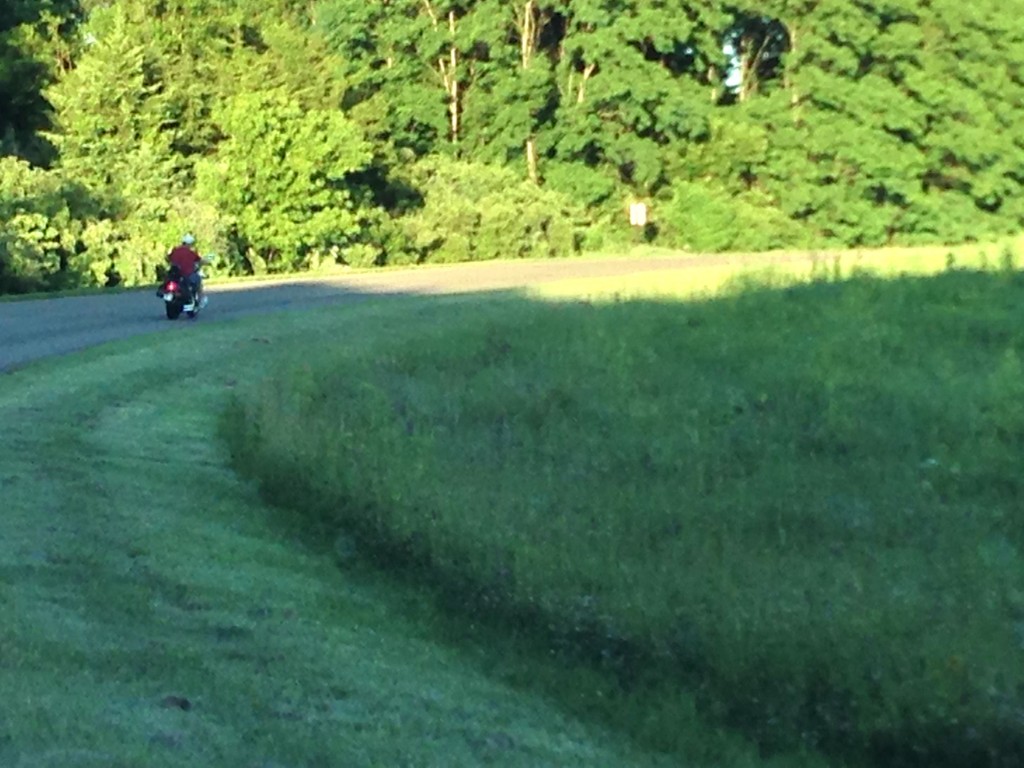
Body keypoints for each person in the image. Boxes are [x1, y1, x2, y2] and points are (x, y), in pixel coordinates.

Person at [166, 233, 205, 306]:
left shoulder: (175, 251)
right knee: (198, 281)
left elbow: (168, 259)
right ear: (189, 244)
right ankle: (200, 300)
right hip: (187, 274)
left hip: (175, 276)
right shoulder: (191, 253)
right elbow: (199, 260)